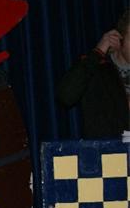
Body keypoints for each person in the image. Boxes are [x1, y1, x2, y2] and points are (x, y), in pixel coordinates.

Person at [56, 9, 130, 139]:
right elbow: (65, 96)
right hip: (107, 149)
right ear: (120, 39)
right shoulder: (97, 68)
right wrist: (98, 52)